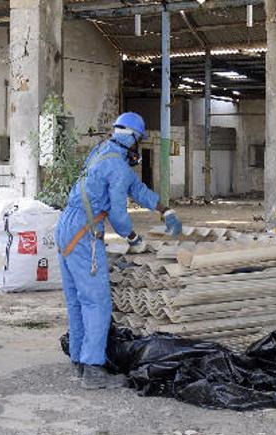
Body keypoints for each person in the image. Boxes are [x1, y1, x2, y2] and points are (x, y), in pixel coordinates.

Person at [56, 112, 182, 390]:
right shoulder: (118, 166)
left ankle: (79, 359)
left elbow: (134, 188)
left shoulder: (102, 152)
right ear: (133, 139)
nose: (138, 149)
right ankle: (92, 369)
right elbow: (118, 214)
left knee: (78, 300)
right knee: (97, 301)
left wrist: (165, 209)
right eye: (138, 142)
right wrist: (133, 237)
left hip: (66, 226)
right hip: (83, 232)